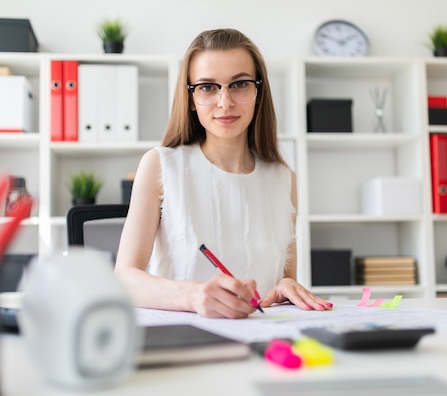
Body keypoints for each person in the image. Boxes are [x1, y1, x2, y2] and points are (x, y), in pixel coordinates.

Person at [114, 28, 332, 319]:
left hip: (265, 338)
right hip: (186, 338)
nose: (225, 102)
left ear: (258, 92)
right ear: (190, 99)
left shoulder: (283, 178)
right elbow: (124, 278)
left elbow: (281, 278)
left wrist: (286, 285)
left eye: (239, 84)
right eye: (207, 87)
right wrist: (193, 296)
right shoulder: (160, 165)